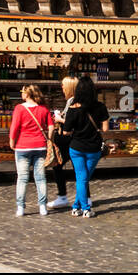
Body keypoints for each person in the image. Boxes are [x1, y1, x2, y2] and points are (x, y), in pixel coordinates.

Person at [62, 75, 109, 217]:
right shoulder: (100, 107)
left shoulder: (73, 107)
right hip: (93, 148)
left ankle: (77, 207)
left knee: (82, 178)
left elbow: (65, 132)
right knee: (84, 178)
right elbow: (105, 129)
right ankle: (85, 208)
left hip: (76, 147)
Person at [9, 84, 54, 217]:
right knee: (40, 178)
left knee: (22, 178)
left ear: (27, 94)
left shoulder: (19, 108)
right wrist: (49, 139)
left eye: (22, 92)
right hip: (40, 146)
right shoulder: (43, 108)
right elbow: (51, 126)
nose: (21, 94)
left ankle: (21, 207)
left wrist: (12, 142)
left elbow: (14, 127)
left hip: (23, 146)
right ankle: (42, 207)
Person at [47, 75, 78, 209]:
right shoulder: (70, 101)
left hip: (69, 140)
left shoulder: (74, 102)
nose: (62, 87)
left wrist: (59, 119)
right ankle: (82, 198)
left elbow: (74, 123)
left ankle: (63, 196)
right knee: (77, 169)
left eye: (64, 85)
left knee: (59, 165)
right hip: (69, 140)